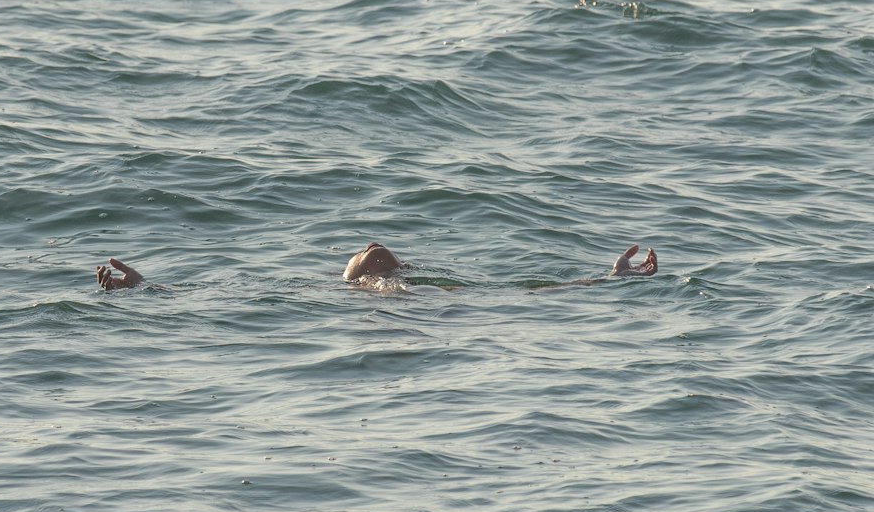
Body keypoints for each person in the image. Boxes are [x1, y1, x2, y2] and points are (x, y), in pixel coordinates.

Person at [95, 241, 658, 290]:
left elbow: (528, 294)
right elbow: (224, 295)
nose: (369, 241)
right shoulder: (317, 292)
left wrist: (605, 282)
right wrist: (153, 289)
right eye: (358, 246)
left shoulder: (429, 289)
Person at [341, 240, 657, 285]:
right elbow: (376, 253)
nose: (369, 245)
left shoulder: (391, 285)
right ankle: (615, 278)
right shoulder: (383, 286)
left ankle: (615, 278)